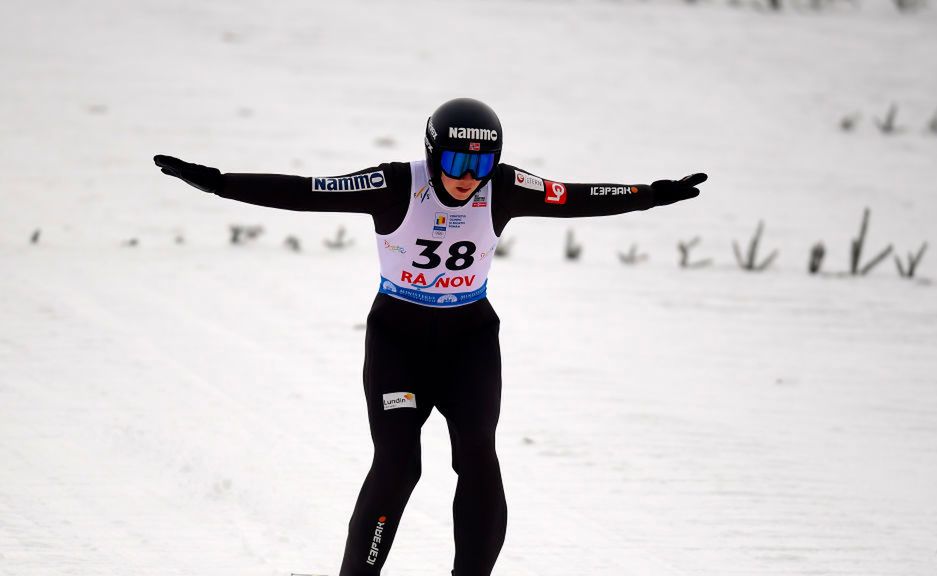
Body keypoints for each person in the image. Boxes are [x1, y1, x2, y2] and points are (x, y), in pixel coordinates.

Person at [153, 97, 707, 576]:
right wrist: (221, 184)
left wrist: (649, 194)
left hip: (469, 344)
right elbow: (307, 191)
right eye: (456, 161)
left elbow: (575, 196)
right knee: (399, 463)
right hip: (398, 342)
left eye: (481, 163)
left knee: (478, 457)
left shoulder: (506, 187)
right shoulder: (397, 185)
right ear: (432, 152)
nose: (468, 176)